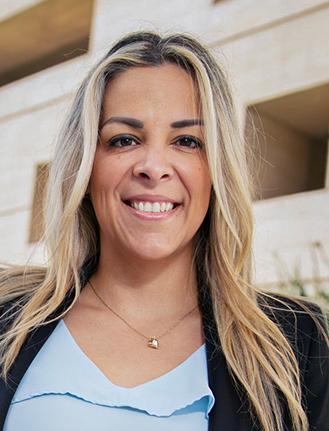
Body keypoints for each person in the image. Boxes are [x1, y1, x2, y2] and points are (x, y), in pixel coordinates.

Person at [0, 31, 328, 431]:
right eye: (123, 140)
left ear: (217, 171)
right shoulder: (6, 319)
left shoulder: (299, 346)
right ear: (86, 167)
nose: (153, 167)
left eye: (187, 141)